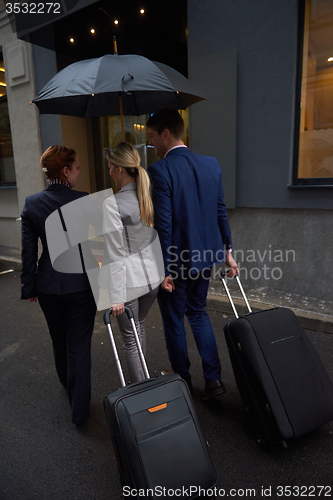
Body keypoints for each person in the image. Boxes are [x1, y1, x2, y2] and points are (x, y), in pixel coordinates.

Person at [146, 108, 239, 400]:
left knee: (174, 322)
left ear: (165, 133)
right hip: (206, 257)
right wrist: (228, 252)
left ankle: (182, 381)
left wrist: (165, 269)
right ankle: (213, 379)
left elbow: (164, 223)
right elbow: (219, 211)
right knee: (198, 314)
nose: (150, 143)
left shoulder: (160, 170)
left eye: (151, 136)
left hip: (176, 260)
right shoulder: (211, 164)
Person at [21, 145, 98, 428]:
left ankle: (69, 386)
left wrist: (29, 288)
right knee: (79, 346)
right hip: (81, 285)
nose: (78, 173)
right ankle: (80, 411)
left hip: (49, 285)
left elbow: (28, 251)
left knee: (59, 340)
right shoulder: (85, 200)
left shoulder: (32, 203)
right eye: (76, 168)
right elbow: (101, 247)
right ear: (65, 171)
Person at [102, 142, 162, 383]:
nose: (108, 172)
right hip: (152, 279)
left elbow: (116, 254)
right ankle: (145, 381)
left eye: (109, 167)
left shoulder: (113, 203)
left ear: (118, 169)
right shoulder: (147, 196)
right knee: (139, 328)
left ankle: (141, 392)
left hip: (129, 284)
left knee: (130, 339)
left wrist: (115, 297)